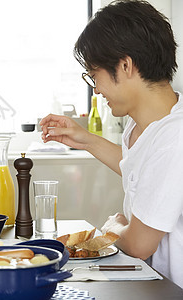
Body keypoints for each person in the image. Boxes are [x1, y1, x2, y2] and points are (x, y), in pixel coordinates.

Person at [39, 0, 182, 288]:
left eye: (94, 75)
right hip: (155, 282)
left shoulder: (174, 137)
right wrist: (86, 139)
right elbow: (143, 170)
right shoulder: (142, 124)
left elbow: (140, 245)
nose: (95, 87)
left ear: (125, 65)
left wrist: (113, 227)